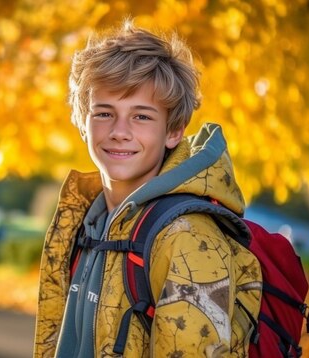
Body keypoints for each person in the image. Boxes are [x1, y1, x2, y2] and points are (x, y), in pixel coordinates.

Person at [34, 21, 262, 357]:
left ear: (173, 132)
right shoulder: (86, 223)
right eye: (104, 113)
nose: (119, 131)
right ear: (84, 123)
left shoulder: (187, 239)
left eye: (141, 117)